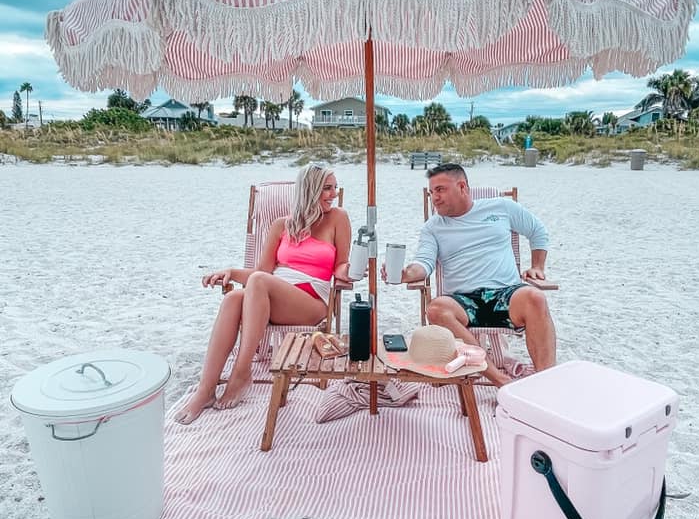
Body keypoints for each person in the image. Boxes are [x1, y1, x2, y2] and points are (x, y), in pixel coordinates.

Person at [176, 163, 352, 423]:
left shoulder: (338, 218)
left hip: (312, 301)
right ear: (309, 190)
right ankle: (206, 390)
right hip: (271, 296)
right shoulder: (282, 226)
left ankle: (241, 371)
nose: (333, 194)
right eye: (327, 188)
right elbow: (262, 272)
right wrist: (231, 272)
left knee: (256, 283)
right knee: (234, 297)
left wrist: (349, 270)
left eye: (335, 188)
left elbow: (341, 263)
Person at [384, 163, 556, 387]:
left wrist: (538, 267)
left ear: (462, 186)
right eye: (431, 192)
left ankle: (547, 382)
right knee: (436, 309)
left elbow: (537, 231)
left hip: (507, 294)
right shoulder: (433, 227)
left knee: (536, 297)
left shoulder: (501, 207)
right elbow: (424, 264)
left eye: (440, 190)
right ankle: (498, 378)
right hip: (464, 301)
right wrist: (404, 273)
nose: (434, 197)